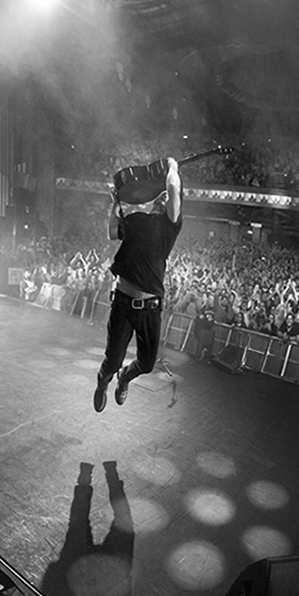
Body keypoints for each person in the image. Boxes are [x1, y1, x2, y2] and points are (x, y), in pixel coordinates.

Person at [93, 157, 183, 412]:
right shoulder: (136, 220)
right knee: (112, 361)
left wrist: (173, 168)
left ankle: (125, 377)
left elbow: (173, 188)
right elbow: (112, 232)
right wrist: (114, 204)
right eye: (161, 196)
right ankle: (103, 381)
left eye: (167, 197)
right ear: (154, 201)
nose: (164, 197)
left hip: (150, 307)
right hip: (123, 302)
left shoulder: (170, 226)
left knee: (146, 363)